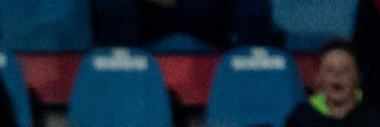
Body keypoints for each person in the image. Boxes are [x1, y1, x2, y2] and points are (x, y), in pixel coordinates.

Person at [93, 0, 275, 49]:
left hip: (203, 13)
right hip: (151, 16)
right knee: (114, 4)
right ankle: (118, 74)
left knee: (253, 4)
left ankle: (252, 72)